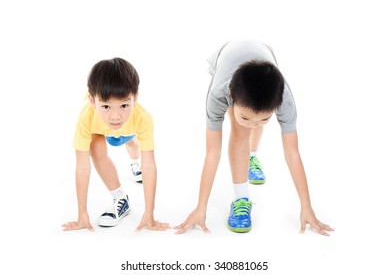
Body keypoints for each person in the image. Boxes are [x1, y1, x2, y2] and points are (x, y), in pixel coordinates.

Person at [175, 40, 334, 236]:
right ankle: (242, 199)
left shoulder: (285, 100)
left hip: (265, 53)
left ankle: (252, 157)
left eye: (268, 117)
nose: (253, 123)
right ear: (231, 97)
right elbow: (212, 153)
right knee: (241, 129)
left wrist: (307, 206)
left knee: (253, 119)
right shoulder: (218, 94)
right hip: (226, 56)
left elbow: (292, 153)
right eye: (245, 115)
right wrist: (201, 207)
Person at [62, 57, 169, 232]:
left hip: (128, 132)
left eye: (124, 105)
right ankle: (120, 199)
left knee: (132, 145)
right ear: (92, 101)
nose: (115, 116)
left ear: (135, 98)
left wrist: (150, 213)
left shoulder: (143, 118)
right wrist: (81, 213)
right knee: (95, 148)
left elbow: (149, 165)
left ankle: (134, 164)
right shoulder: (86, 117)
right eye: (106, 107)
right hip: (101, 130)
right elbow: (82, 167)